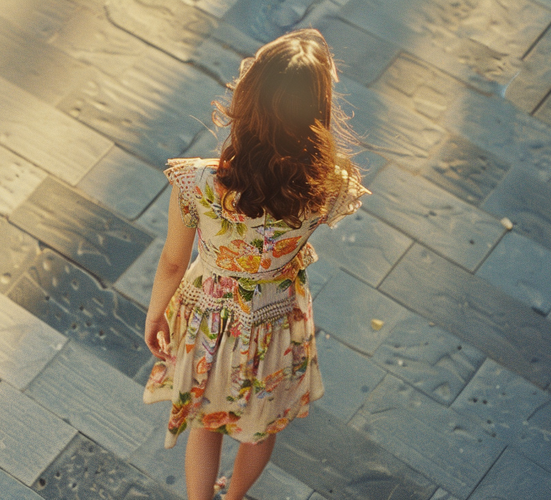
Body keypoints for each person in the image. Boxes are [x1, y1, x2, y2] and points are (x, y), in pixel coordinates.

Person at [142, 28, 370, 500]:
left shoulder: (198, 181)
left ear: (246, 98)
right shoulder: (334, 185)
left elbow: (171, 261)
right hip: (278, 324)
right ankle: (234, 497)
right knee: (260, 430)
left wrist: (156, 313)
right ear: (319, 111)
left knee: (207, 424)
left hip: (209, 319)